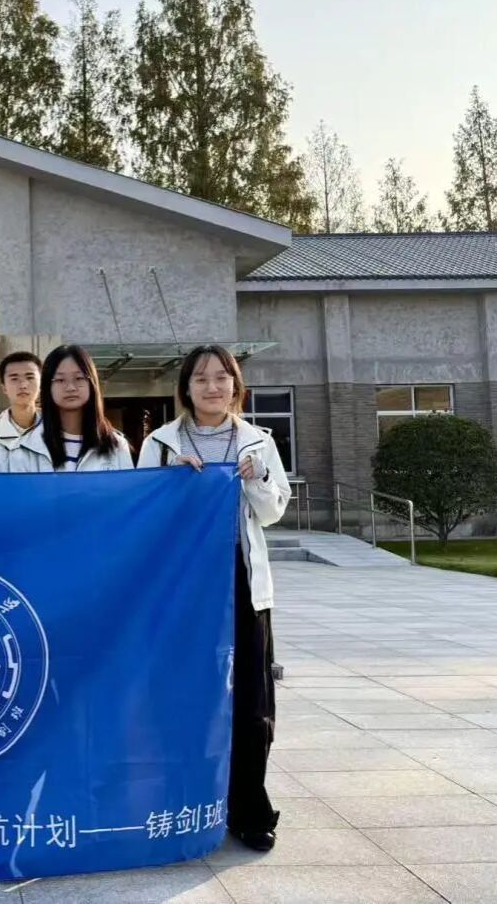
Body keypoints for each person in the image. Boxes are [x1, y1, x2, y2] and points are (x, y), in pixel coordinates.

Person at [135, 344, 291, 853]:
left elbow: (272, 512)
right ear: (185, 388)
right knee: (184, 694)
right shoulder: (160, 443)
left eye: (221, 377)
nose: (212, 387)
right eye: (200, 378)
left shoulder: (258, 441)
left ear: (235, 385)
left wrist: (257, 478)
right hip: (183, 584)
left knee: (251, 701)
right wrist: (169, 484)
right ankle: (182, 801)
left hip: (242, 583)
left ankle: (248, 809)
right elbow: (143, 513)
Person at [8, 344, 133, 472]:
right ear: (47, 386)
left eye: (79, 378)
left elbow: (127, 485)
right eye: (60, 380)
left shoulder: (116, 445)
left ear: (91, 383)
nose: (71, 387)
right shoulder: (24, 448)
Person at [0, 351, 42, 449]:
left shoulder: (58, 431)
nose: (23, 385)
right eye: (14, 379)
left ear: (41, 385)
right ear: (4, 388)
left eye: (30, 377)